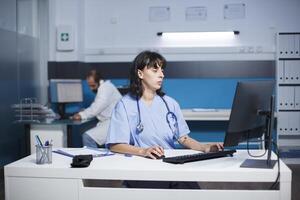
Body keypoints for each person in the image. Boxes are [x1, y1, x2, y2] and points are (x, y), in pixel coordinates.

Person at [106, 51, 223, 189]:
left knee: (193, 191)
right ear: (140, 74)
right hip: (141, 166)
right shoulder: (125, 105)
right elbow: (115, 145)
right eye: (155, 69)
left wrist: (205, 147)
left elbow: (183, 138)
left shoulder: (170, 104)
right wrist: (143, 151)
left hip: (170, 165)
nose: (161, 74)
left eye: (162, 70)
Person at [72, 69, 122, 148]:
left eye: (93, 85)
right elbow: (97, 105)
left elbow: (96, 107)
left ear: (99, 80)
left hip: (113, 122)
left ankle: (92, 159)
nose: (91, 89)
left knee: (87, 137)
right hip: (108, 121)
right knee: (86, 132)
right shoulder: (104, 87)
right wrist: (84, 112)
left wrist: (81, 115)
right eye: (89, 86)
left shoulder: (105, 88)